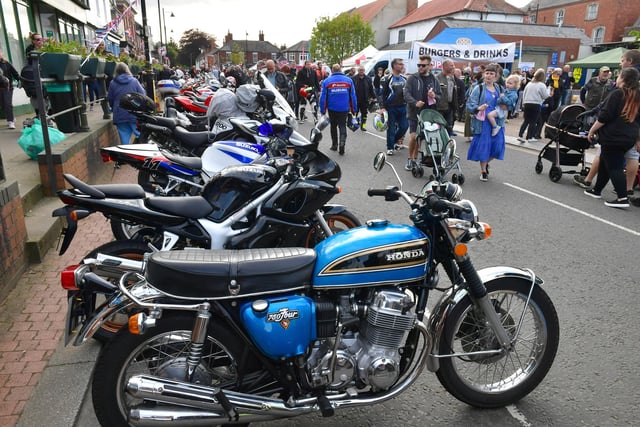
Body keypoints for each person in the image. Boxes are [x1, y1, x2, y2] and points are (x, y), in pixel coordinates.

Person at [575, 49, 640, 197]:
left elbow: (605, 115)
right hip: (630, 134)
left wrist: (592, 130)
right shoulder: (636, 94)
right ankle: (598, 190)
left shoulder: (619, 93)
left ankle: (622, 196)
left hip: (615, 135)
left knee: (614, 166)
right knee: (608, 159)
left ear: (623, 78)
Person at [466, 64, 505, 181]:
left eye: (491, 74)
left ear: (496, 76)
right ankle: (483, 170)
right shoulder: (479, 88)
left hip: (497, 121)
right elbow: (470, 104)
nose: (489, 76)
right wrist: (478, 108)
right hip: (483, 123)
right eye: (487, 73)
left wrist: (506, 103)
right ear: (484, 75)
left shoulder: (500, 88)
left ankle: (486, 162)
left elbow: (509, 103)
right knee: (484, 147)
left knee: (498, 146)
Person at [403, 55, 440, 171]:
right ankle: (410, 159)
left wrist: (434, 96)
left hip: (428, 113)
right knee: (414, 136)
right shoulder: (412, 78)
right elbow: (406, 94)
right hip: (414, 112)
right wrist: (414, 102)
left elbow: (440, 95)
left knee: (420, 138)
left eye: (423, 65)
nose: (420, 67)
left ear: (429, 66)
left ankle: (415, 158)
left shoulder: (434, 79)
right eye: (419, 65)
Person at [318, 64, 356, 155]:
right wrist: (354, 109)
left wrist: (322, 110)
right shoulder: (349, 80)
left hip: (332, 108)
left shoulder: (327, 81)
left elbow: (323, 97)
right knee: (342, 126)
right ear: (341, 70)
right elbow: (353, 96)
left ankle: (334, 145)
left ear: (332, 70)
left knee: (333, 126)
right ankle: (342, 143)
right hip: (344, 108)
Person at [107, 62, 146, 145]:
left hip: (120, 112)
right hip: (134, 112)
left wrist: (113, 107)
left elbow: (110, 98)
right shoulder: (134, 81)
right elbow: (143, 94)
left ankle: (127, 155)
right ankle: (142, 153)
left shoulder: (113, 83)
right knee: (140, 135)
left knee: (124, 139)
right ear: (127, 69)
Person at [380, 58, 409, 155]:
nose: (402, 66)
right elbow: (381, 94)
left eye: (402, 64)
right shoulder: (386, 79)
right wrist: (382, 107)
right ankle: (390, 147)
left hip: (403, 107)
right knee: (391, 128)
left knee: (404, 126)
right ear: (394, 66)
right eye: (400, 64)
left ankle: (393, 141)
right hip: (391, 107)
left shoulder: (405, 79)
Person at [517, 68, 550, 143]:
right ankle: (530, 137)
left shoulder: (529, 84)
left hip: (527, 104)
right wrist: (549, 93)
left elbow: (524, 93)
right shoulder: (542, 85)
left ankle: (520, 135)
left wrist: (523, 104)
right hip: (536, 104)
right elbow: (545, 96)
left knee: (526, 121)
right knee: (533, 121)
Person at [435, 59, 459, 136]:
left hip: (450, 107)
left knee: (449, 127)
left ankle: (447, 145)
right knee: (439, 128)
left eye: (453, 65)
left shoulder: (451, 78)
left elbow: (453, 92)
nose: (453, 67)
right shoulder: (437, 78)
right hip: (439, 108)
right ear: (445, 66)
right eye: (451, 65)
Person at [351, 65, 376, 131]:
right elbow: (350, 89)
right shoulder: (353, 78)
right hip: (356, 99)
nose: (361, 71)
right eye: (360, 70)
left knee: (364, 114)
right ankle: (354, 125)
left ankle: (363, 126)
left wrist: (374, 97)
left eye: (362, 70)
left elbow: (371, 89)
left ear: (364, 71)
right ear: (358, 71)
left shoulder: (368, 79)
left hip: (365, 100)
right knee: (354, 113)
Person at [0, 50, 20, 129]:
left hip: (7, 87)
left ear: (2, 53)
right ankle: (11, 116)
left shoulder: (6, 63)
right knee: (3, 105)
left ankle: (10, 121)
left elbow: (15, 73)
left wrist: (20, 80)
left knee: (7, 104)